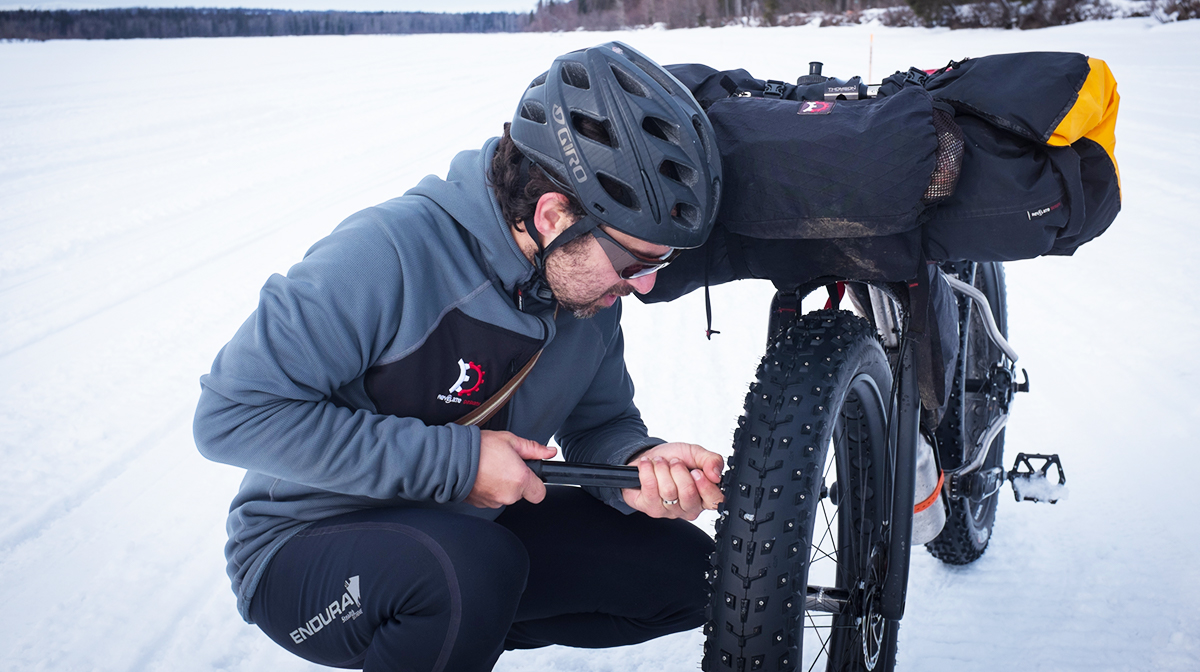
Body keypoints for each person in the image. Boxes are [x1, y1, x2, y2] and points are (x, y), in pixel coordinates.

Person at [194, 41, 725, 671]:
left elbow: (602, 426)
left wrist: (639, 467)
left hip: (468, 532)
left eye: (657, 264)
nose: (644, 286)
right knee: (467, 576)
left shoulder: (584, 297)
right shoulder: (388, 252)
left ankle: (453, 632)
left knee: (695, 577)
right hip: (303, 548)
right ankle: (452, 619)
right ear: (555, 216)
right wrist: (460, 462)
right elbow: (231, 414)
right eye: (634, 262)